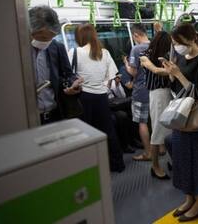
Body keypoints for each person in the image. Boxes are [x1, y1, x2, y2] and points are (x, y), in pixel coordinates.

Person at [161, 23, 198, 222]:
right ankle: (189, 197)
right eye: (174, 43)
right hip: (181, 116)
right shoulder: (182, 58)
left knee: (195, 160)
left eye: (178, 42)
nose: (176, 46)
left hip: (194, 116)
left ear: (191, 39)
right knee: (182, 158)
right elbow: (179, 87)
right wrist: (171, 75)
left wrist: (178, 74)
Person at [71, 23, 125, 172]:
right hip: (101, 96)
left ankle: (90, 167)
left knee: (86, 133)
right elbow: (112, 77)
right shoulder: (105, 53)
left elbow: (69, 75)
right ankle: (117, 164)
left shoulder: (75, 52)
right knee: (108, 130)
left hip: (84, 97)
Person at [28, 5, 82, 125]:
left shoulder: (57, 47)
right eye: (41, 36)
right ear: (29, 29)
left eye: (50, 37)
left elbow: (68, 74)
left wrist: (73, 84)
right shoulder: (16, 52)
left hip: (54, 113)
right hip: (27, 117)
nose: (45, 41)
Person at [139, 31, 172, 179]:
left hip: (170, 93)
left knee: (172, 129)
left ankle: (172, 161)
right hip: (158, 94)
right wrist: (172, 70)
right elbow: (156, 71)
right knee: (158, 131)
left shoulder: (168, 55)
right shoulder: (145, 56)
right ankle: (155, 166)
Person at [124, 23, 151, 161]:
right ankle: (162, 148)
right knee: (156, 121)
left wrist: (126, 65)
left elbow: (134, 72)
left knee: (142, 122)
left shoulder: (136, 49)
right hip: (155, 89)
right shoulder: (154, 45)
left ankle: (148, 153)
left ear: (135, 35)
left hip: (141, 91)